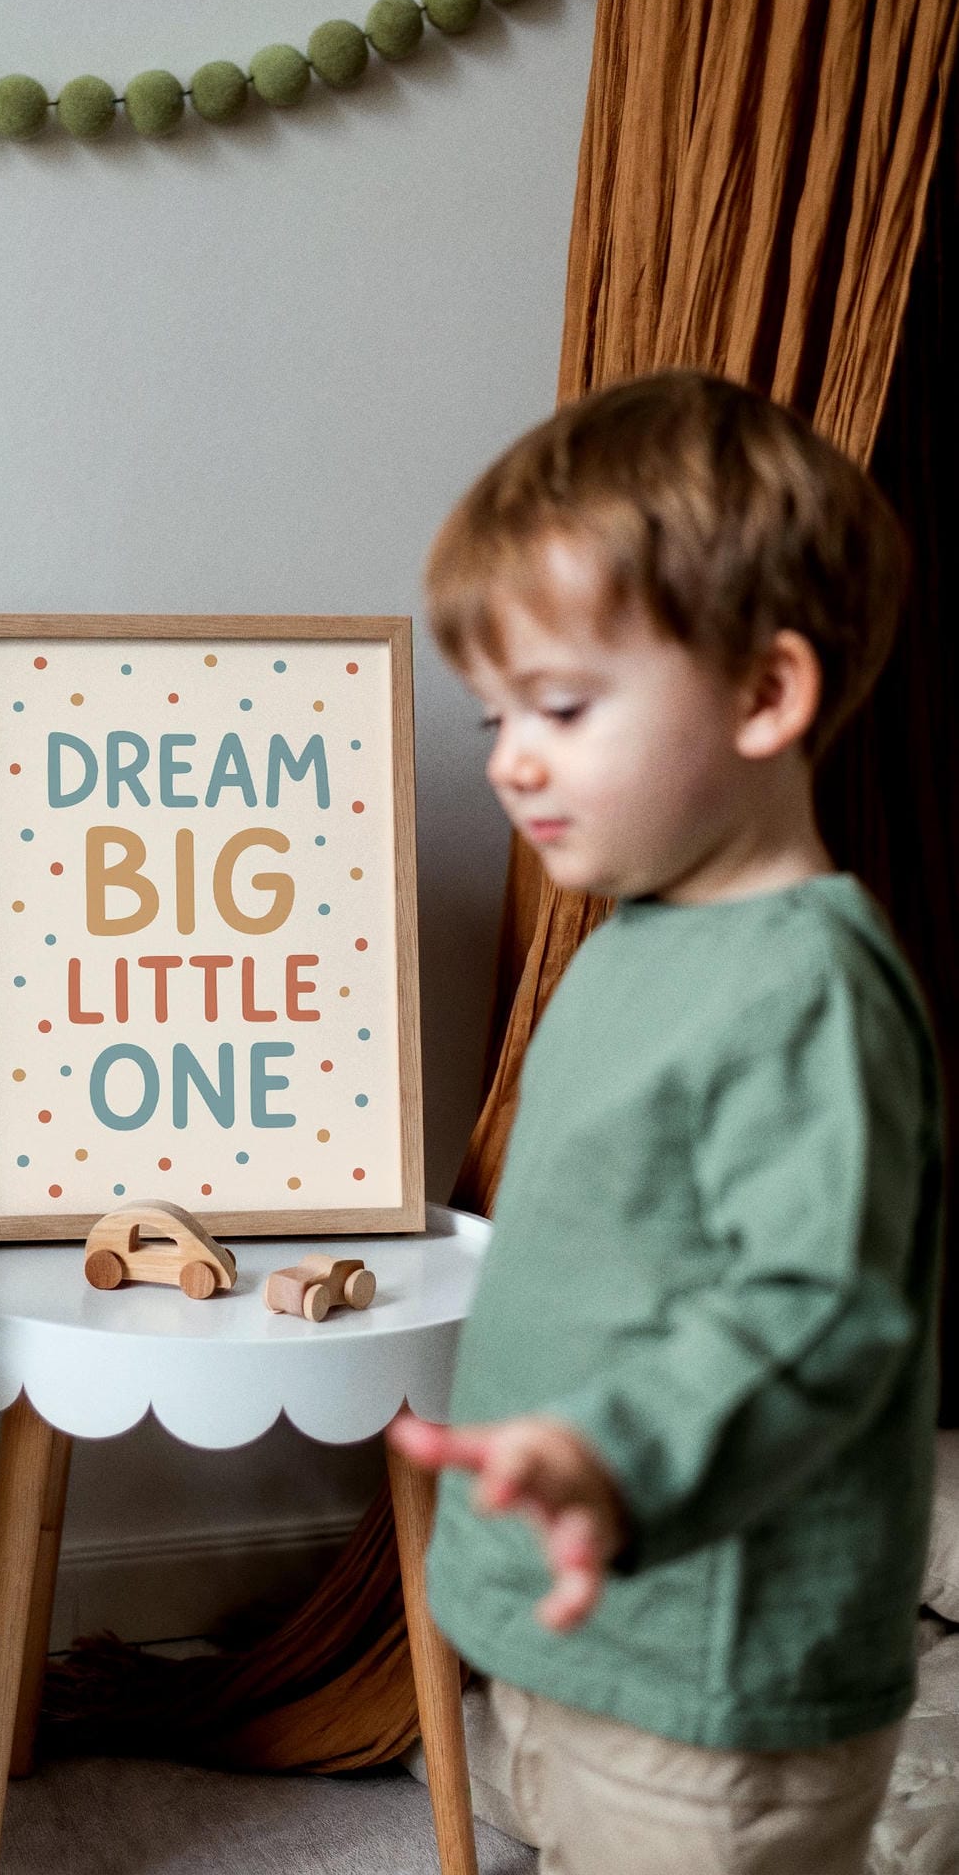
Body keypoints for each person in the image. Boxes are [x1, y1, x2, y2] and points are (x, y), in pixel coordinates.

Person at [386, 369, 946, 1874]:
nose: (511, 757)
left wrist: (614, 1456)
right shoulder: (633, 939)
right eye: (498, 713)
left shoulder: (806, 983)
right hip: (583, 1634)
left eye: (562, 708)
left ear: (764, 696)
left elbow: (816, 1308)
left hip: (714, 1681)